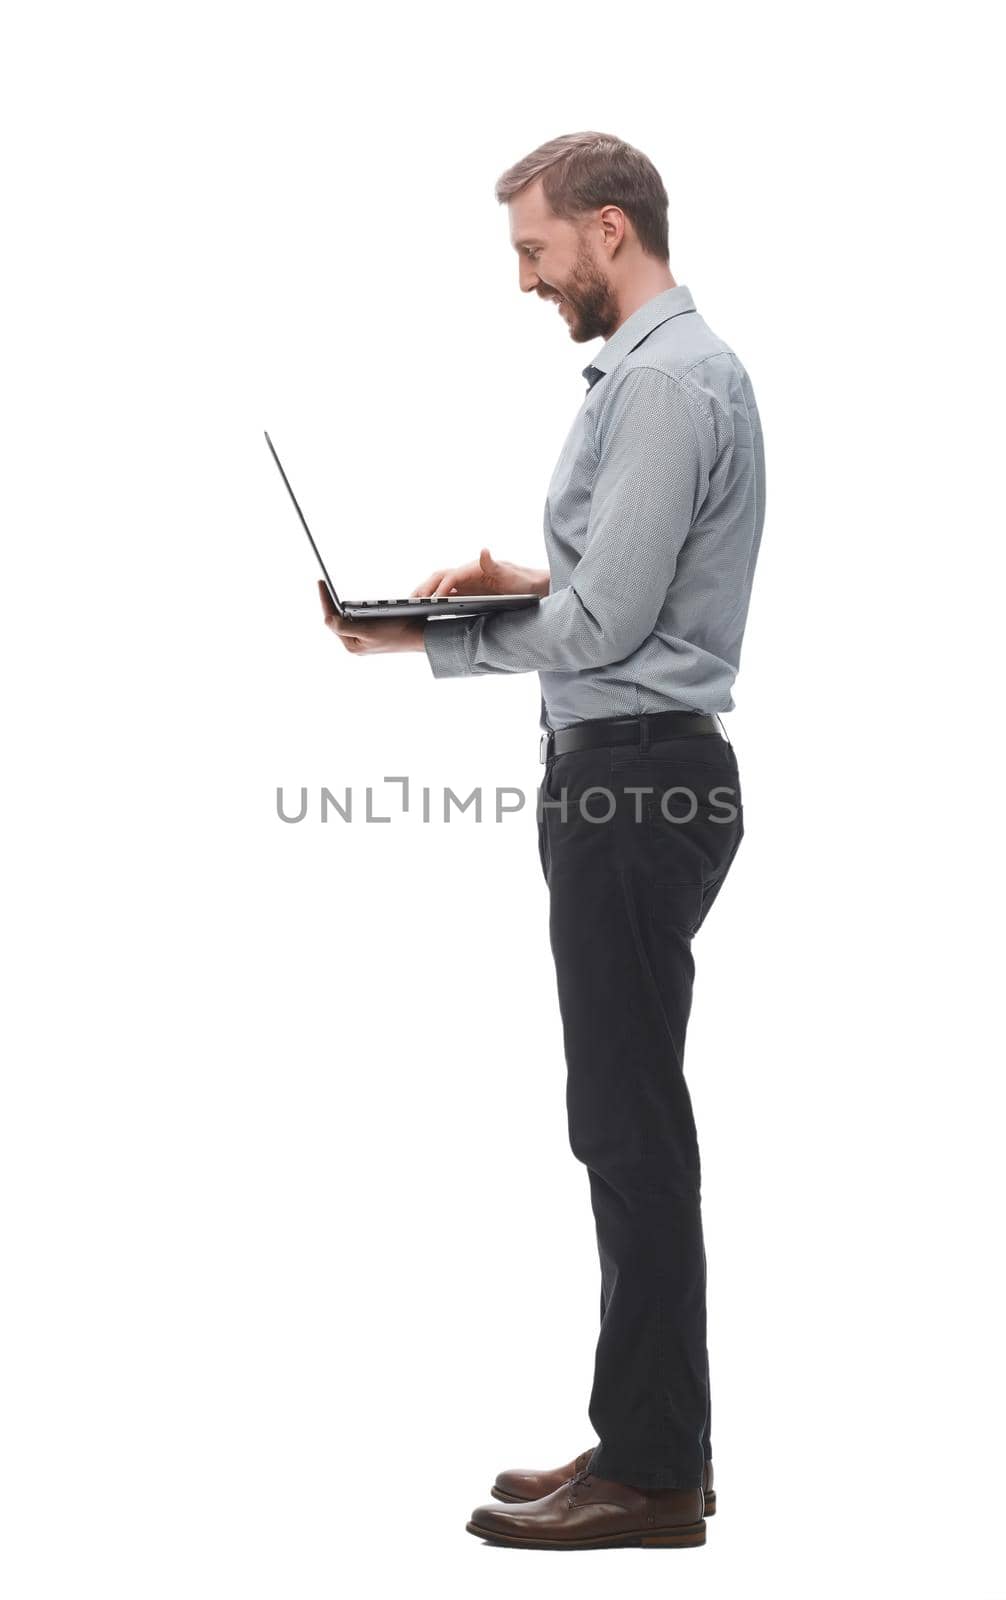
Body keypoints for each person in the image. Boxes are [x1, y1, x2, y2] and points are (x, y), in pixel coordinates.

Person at [319, 130, 766, 1552]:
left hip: (635, 784)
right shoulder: (667, 376)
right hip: (637, 777)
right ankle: (640, 1444)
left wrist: (422, 635)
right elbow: (608, 589)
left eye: (534, 249)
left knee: (626, 1126)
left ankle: (651, 1472)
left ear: (610, 231)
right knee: (623, 1120)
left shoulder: (659, 383)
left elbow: (603, 632)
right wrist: (520, 580)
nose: (525, 279)